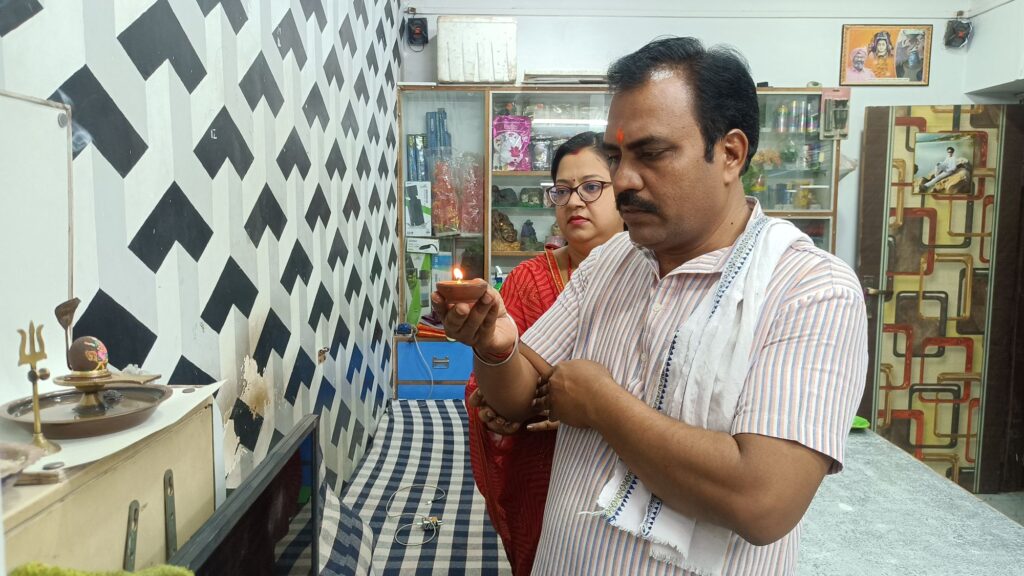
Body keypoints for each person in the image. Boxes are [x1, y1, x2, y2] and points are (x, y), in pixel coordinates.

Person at [433, 37, 867, 575]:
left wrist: (603, 405)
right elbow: (520, 398)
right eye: (617, 157)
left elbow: (762, 501)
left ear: (730, 154)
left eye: (652, 154)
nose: (623, 181)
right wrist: (496, 347)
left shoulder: (811, 289)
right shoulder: (613, 259)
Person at [465, 132, 624, 575]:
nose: (575, 202)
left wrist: (579, 405)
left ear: (624, 187)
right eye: (562, 191)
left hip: (622, 463)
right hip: (539, 467)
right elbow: (489, 375)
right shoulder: (527, 279)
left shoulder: (647, 273)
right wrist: (494, 406)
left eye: (591, 187)